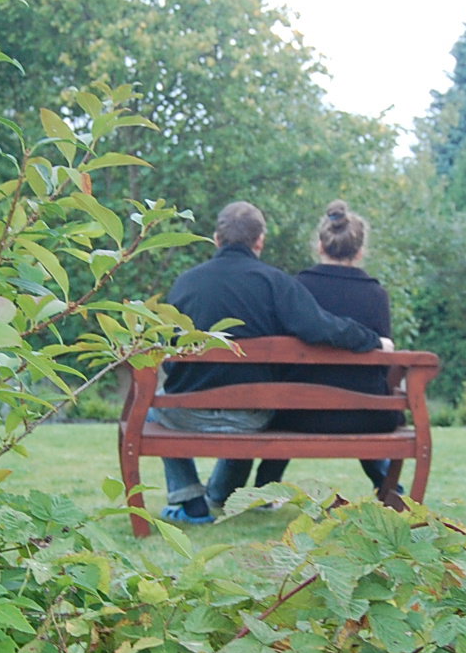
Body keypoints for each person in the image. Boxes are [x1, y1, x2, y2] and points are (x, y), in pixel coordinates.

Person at [152, 200, 391, 524]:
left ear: (216, 238)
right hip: (252, 416)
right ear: (260, 240)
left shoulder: (185, 283)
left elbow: (167, 355)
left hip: (186, 414)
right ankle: (219, 496)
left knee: (154, 410)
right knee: (249, 401)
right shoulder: (276, 284)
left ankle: (191, 500)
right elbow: (320, 326)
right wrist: (373, 340)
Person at [248, 200, 408, 510]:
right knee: (363, 392)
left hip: (298, 415)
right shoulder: (376, 295)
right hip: (367, 416)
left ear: (320, 245)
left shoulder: (296, 288)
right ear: (360, 251)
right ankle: (388, 485)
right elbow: (383, 367)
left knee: (290, 394)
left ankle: (265, 489)